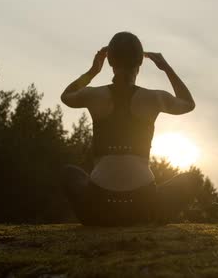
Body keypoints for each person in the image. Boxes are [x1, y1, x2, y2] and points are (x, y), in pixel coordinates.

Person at [60, 31, 198, 226]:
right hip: (143, 207)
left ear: (110, 62)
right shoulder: (155, 98)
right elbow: (188, 103)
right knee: (191, 179)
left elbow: (66, 96)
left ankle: (99, 220)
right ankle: (153, 218)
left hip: (98, 208)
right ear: (139, 64)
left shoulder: (94, 95)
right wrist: (166, 68)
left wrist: (93, 71)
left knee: (69, 172)